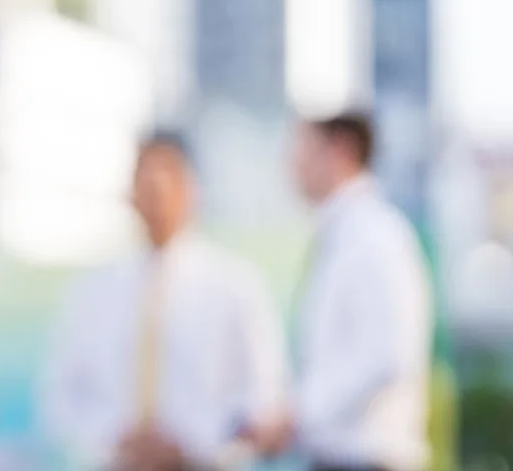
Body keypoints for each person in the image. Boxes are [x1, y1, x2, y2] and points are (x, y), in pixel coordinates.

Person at [38, 135, 289, 470]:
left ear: (191, 190)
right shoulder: (92, 293)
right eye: (144, 180)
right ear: (130, 194)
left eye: (167, 179)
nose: (155, 194)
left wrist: (190, 441)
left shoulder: (234, 287)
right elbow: (60, 396)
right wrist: (115, 436)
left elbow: (264, 393)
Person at [290, 112, 432, 471]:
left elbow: (387, 354)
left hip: (368, 460)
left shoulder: (376, 236)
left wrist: (300, 412)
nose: (293, 164)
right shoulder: (342, 236)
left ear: (341, 150)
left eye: (304, 149)